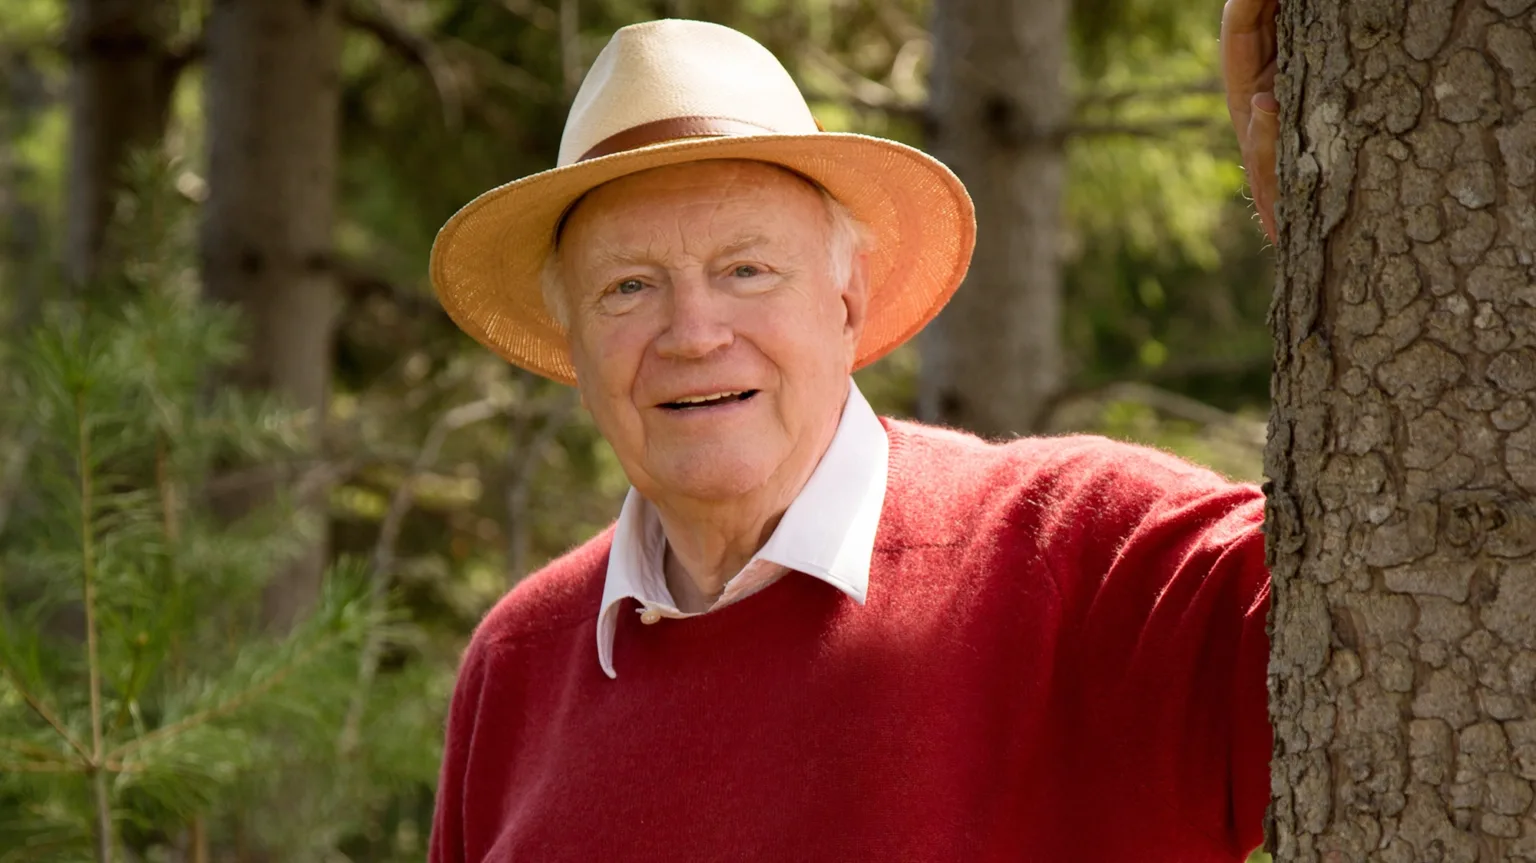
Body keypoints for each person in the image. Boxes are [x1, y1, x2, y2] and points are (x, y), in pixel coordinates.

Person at [427, 1, 1281, 859]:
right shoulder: (517, 661)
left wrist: (1320, 216)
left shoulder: (1080, 550)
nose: (693, 334)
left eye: (746, 269)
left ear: (846, 301)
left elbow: (1354, 600)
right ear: (575, 345)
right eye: (628, 287)